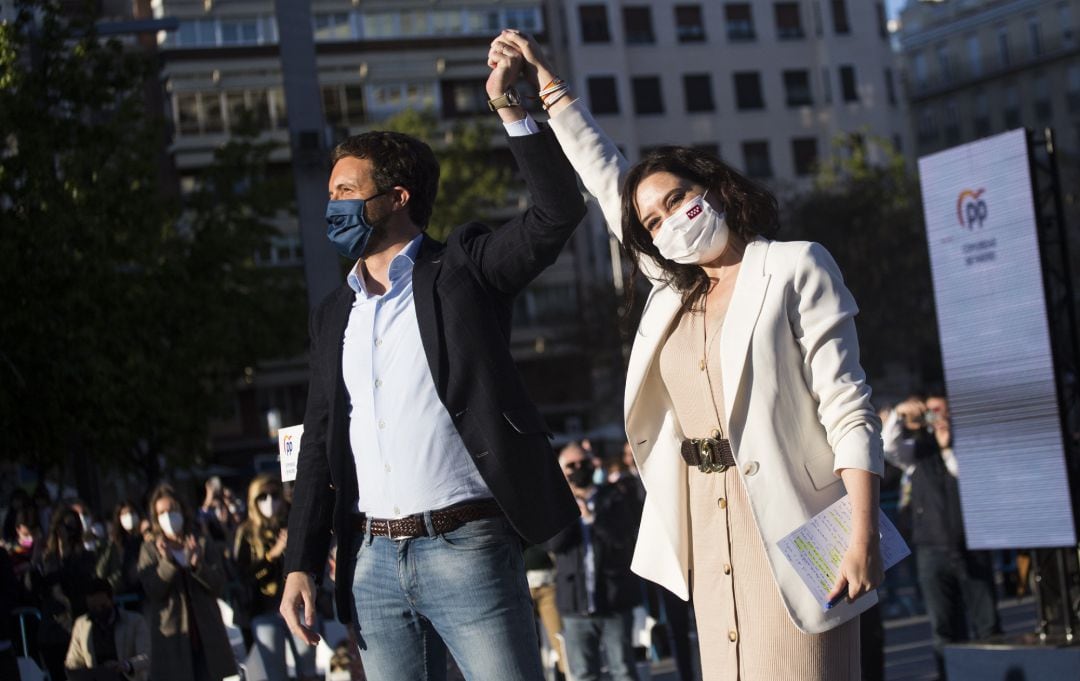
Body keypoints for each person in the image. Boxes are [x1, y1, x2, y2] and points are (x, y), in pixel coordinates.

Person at [489, 30, 884, 680]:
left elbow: (849, 408)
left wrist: (862, 532)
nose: (669, 220)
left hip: (796, 520)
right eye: (652, 220)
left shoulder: (794, 266)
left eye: (676, 199)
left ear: (716, 189)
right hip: (705, 518)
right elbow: (602, 174)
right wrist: (538, 97)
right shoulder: (672, 286)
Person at [279, 43, 586, 681]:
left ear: (396, 197)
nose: (330, 204)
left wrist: (514, 109)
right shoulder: (334, 312)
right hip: (371, 562)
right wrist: (300, 562)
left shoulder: (465, 268)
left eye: (345, 190)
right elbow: (319, 441)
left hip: (467, 548)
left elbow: (557, 214)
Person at [883, 394, 1000, 679]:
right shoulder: (918, 453)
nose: (938, 419)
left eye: (943, 412)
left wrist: (948, 448)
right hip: (932, 551)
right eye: (931, 413)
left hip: (972, 546)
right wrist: (899, 413)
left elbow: (971, 475)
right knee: (944, 630)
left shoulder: (967, 448)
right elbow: (889, 448)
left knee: (988, 626)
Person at [547, 443, 644, 681]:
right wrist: (572, 510)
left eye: (584, 463)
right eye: (572, 465)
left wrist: (594, 519)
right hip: (575, 604)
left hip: (613, 600)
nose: (579, 469)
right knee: (582, 674)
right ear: (562, 470)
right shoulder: (557, 503)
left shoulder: (613, 496)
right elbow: (553, 545)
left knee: (623, 670)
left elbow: (622, 539)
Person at [138, 484, 236, 681]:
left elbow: (218, 584)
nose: (168, 516)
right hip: (174, 637)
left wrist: (198, 565)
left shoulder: (201, 541)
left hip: (206, 634)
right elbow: (153, 590)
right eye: (162, 512)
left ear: (182, 509)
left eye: (172, 509)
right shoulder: (151, 549)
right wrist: (167, 562)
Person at [234, 475, 317, 681]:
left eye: (273, 495)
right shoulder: (247, 533)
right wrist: (272, 554)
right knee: (275, 675)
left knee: (308, 672)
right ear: (253, 500)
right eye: (262, 496)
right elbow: (245, 575)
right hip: (264, 611)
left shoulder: (292, 523)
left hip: (298, 606)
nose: (269, 501)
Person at [32, 505, 99, 681]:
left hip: (77, 625)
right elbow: (34, 588)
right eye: (62, 526)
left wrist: (66, 555)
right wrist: (34, 563)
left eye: (71, 528)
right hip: (51, 631)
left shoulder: (85, 557)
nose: (66, 533)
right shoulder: (46, 558)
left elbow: (77, 582)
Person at [64, 577, 150, 680]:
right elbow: (73, 660)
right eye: (93, 608)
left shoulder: (135, 621)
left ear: (111, 599)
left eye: (103, 606)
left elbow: (146, 656)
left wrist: (125, 665)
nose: (98, 611)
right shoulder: (81, 625)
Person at [96, 501, 145, 600]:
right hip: (121, 595)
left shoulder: (145, 539)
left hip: (144, 592)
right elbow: (101, 572)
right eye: (125, 514)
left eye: (132, 512)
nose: (129, 517)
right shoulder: (114, 543)